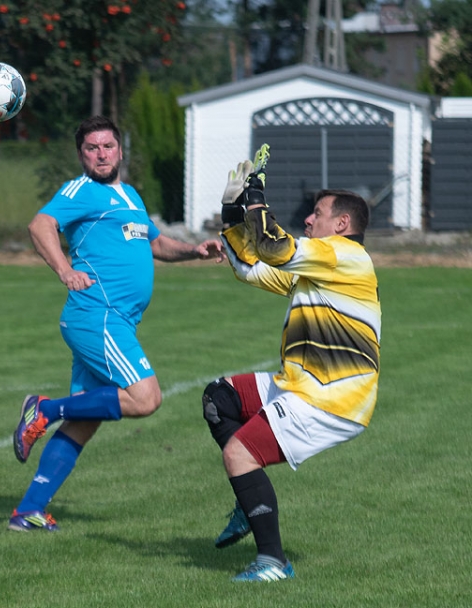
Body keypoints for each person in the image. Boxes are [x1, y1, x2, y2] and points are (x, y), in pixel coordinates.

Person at [9, 115, 224, 532]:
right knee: (145, 399)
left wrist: (194, 251)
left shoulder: (129, 196)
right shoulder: (81, 190)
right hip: (97, 316)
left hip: (115, 319)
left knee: (86, 420)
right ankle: (44, 408)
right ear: (81, 155)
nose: (101, 154)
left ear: (120, 150)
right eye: (92, 148)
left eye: (107, 146)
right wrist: (63, 268)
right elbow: (40, 225)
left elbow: (156, 242)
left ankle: (28, 511)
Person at [203, 151, 381, 581]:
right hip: (303, 385)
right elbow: (250, 265)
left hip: (334, 397)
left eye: (316, 214)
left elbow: (274, 246)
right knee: (218, 398)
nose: (308, 220)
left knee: (239, 454)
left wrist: (257, 196)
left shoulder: (343, 256)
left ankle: (273, 562)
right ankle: (250, 503)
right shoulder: (319, 265)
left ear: (341, 224)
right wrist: (233, 209)